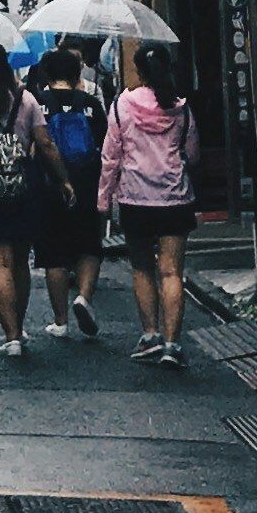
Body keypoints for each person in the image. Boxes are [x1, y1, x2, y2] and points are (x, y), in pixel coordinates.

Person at [0, 36, 73, 361]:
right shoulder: (25, 99)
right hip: (24, 182)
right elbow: (45, 143)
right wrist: (63, 180)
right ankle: (19, 326)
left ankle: (12, 335)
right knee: (20, 259)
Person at [100, 41, 198, 367]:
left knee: (142, 268)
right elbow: (193, 154)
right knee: (172, 272)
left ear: (138, 70)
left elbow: (110, 158)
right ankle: (173, 345)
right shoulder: (181, 108)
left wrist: (103, 199)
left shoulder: (121, 107)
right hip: (174, 197)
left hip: (135, 198)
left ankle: (151, 336)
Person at [31, 40, 108, 337]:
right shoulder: (90, 104)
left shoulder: (37, 103)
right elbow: (105, 143)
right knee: (89, 244)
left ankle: (61, 321)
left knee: (54, 253)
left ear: (46, 73)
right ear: (78, 73)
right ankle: (84, 297)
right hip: (88, 181)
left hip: (49, 184)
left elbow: (31, 145)